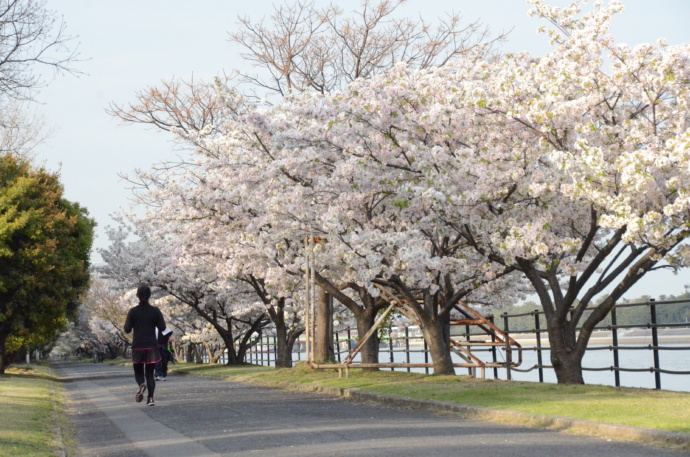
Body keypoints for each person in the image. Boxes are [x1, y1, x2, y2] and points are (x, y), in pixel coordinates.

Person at [124, 285, 167, 406]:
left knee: (138, 372)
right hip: (151, 347)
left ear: (137, 295)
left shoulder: (133, 311)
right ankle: (151, 399)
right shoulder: (155, 311)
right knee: (150, 373)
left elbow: (127, 329)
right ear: (150, 296)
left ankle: (141, 385)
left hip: (138, 346)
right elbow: (162, 328)